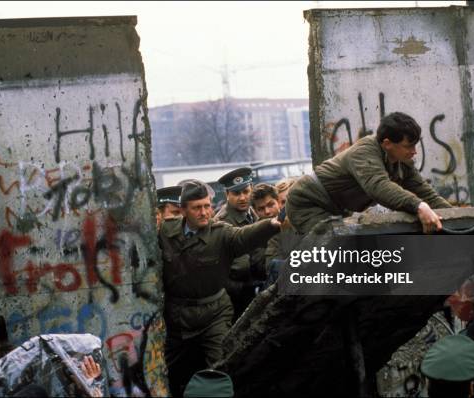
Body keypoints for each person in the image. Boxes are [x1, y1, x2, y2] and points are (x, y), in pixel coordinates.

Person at [159, 180, 281, 397]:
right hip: (177, 316)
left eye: (207, 206)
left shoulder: (221, 233)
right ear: (184, 210)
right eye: (197, 207)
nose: (205, 212)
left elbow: (245, 236)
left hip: (213, 313)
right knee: (169, 371)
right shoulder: (167, 230)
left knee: (221, 367)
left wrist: (273, 224)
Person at [285, 112, 452, 234]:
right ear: (387, 144)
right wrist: (418, 206)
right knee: (336, 255)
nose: (414, 152)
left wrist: (458, 217)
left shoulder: (403, 161)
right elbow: (379, 187)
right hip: (308, 203)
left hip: (337, 207)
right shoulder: (364, 151)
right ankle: (283, 279)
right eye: (408, 146)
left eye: (415, 145)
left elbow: (425, 193)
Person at [214, 167, 265, 320]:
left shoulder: (254, 214)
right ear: (227, 195)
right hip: (237, 297)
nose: (242, 198)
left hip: (256, 288)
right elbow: (222, 270)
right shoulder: (222, 223)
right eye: (236, 193)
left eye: (246, 191)